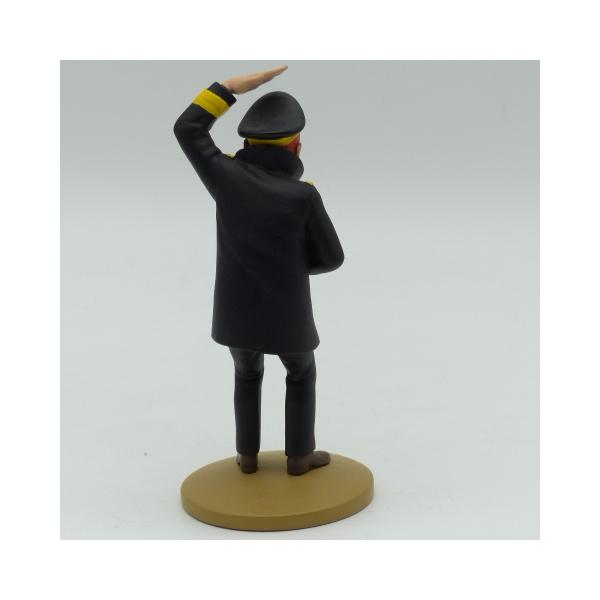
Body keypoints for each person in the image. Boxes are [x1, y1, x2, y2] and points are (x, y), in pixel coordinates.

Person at [174, 66, 344, 475]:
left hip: (235, 312)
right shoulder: (303, 196)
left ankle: (247, 457)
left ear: (247, 143)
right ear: (296, 147)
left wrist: (228, 89)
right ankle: (298, 457)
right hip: (288, 313)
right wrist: (290, 267)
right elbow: (331, 257)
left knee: (246, 375)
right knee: (301, 373)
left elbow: (187, 129)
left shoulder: (225, 177)